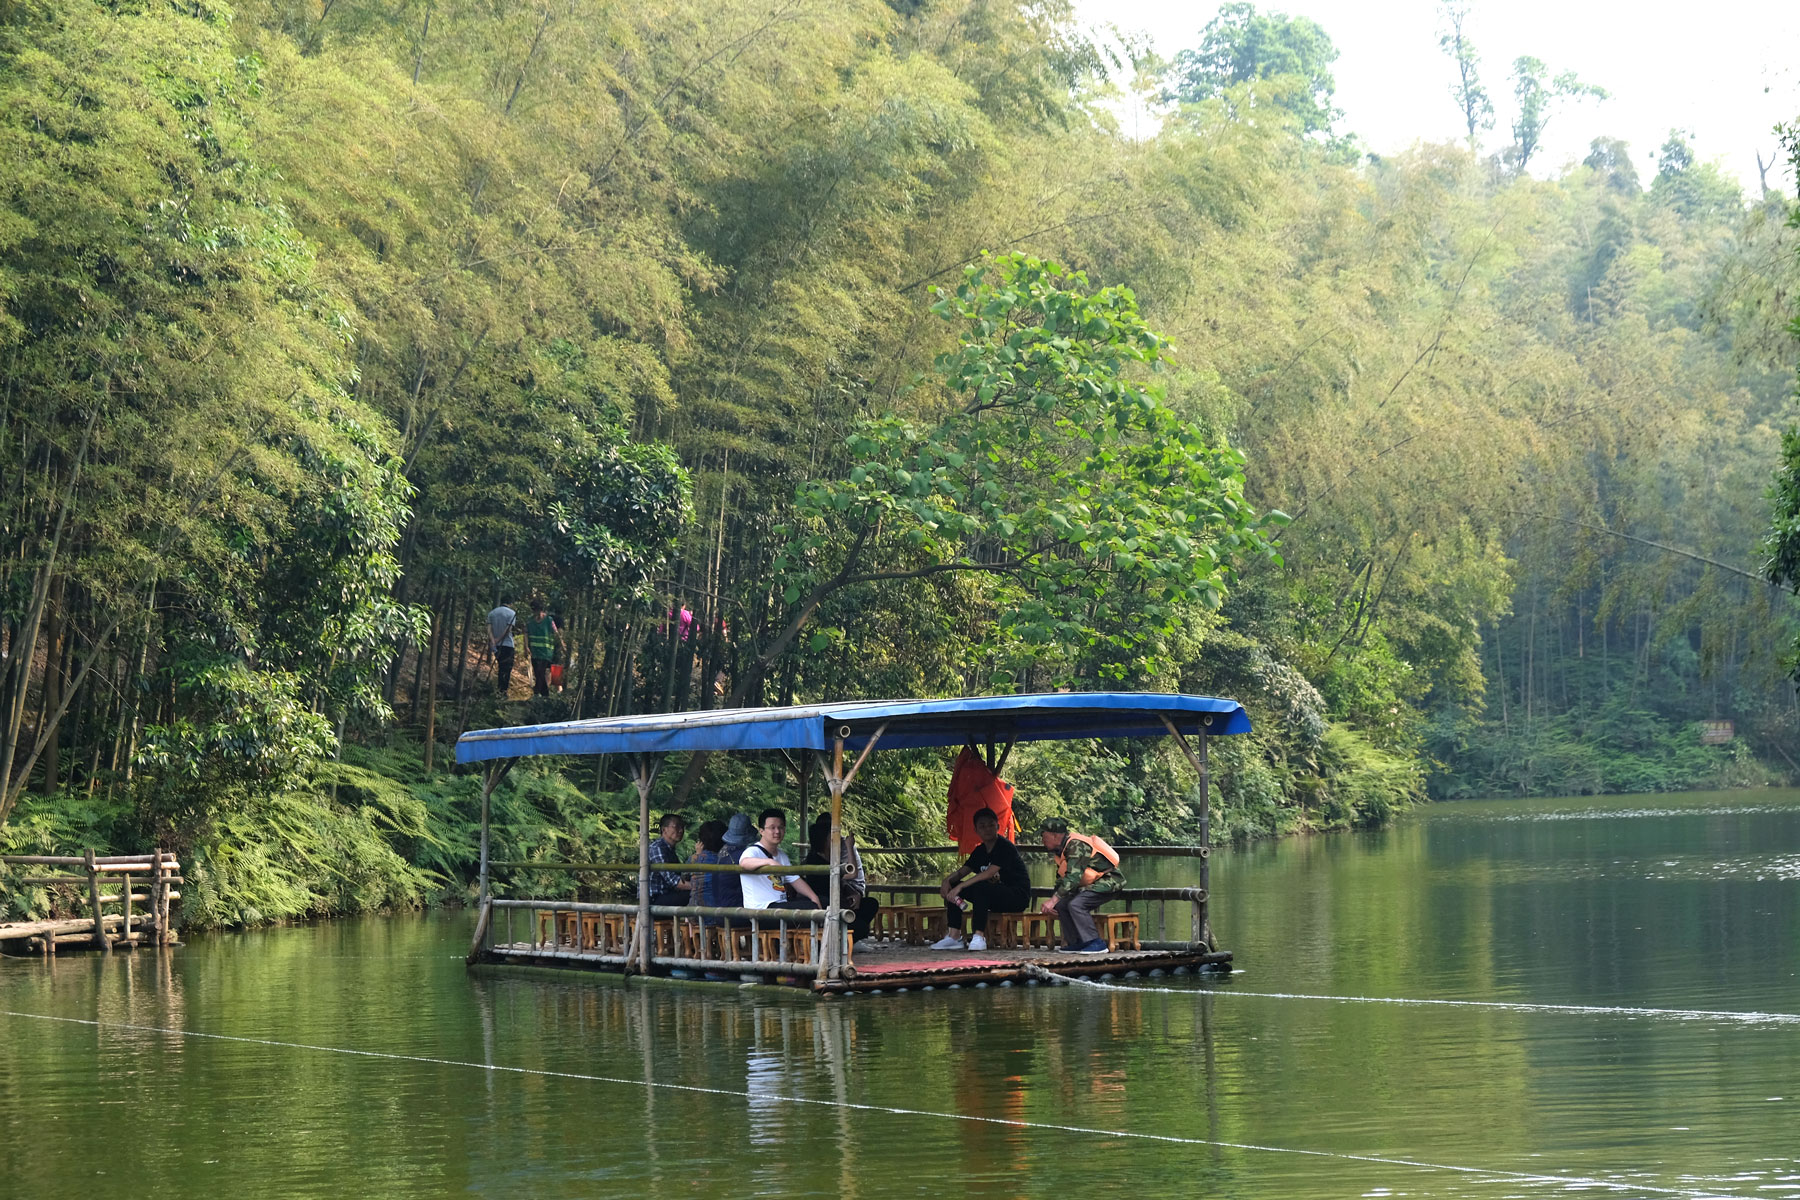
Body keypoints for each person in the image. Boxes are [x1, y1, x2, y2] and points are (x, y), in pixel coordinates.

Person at [932, 806, 1030, 951]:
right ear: (976, 830)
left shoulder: (1005, 847)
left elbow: (989, 873)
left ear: (997, 826)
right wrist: (947, 881)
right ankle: (954, 936)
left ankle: (979, 936)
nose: (987, 829)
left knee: (981, 886)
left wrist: (962, 886)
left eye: (991, 825)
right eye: (982, 826)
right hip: (992, 896)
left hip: (1015, 896)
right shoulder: (980, 851)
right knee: (955, 886)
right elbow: (961, 873)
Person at [1037, 817, 1125, 953]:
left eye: (1044, 835)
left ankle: (1096, 943)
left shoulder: (1076, 845)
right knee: (1062, 905)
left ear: (1055, 835)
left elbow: (1073, 877)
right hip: (1090, 885)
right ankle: (1077, 942)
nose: (1042, 839)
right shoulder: (1061, 850)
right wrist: (1054, 903)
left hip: (1108, 882)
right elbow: (1062, 879)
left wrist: (1053, 900)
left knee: (1076, 904)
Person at [804, 812, 880, 943]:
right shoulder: (815, 861)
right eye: (832, 836)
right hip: (827, 906)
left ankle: (847, 941)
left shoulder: (828, 859)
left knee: (870, 904)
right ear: (826, 840)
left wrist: (852, 893)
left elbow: (841, 881)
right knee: (861, 928)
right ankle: (840, 942)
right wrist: (849, 846)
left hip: (841, 901)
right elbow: (851, 873)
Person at [738, 808, 823, 912]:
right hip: (761, 909)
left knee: (822, 901)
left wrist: (814, 898)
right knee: (810, 907)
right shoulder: (753, 851)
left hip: (780, 906)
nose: (777, 831)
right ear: (762, 831)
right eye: (772, 828)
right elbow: (744, 863)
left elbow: (795, 880)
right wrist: (769, 862)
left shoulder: (782, 856)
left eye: (780, 827)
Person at [646, 813, 690, 908]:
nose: (681, 830)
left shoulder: (669, 849)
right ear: (664, 829)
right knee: (694, 894)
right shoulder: (657, 848)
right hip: (655, 899)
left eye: (682, 827)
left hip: (667, 895)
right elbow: (672, 880)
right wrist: (697, 887)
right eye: (676, 827)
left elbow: (678, 876)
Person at [525, 599, 564, 697]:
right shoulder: (529, 621)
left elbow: (556, 633)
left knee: (541, 672)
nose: (537, 613)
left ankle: (537, 693)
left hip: (546, 652)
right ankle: (545, 695)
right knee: (538, 673)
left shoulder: (549, 620)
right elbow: (526, 633)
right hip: (534, 651)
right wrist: (526, 647)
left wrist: (562, 645)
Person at [487, 598, 518, 696]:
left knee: (501, 667)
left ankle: (500, 690)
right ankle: (503, 691)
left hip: (496, 646)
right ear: (510, 603)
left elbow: (488, 628)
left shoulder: (492, 613)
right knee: (506, 668)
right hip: (507, 644)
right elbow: (508, 629)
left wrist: (493, 640)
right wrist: (499, 639)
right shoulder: (511, 613)